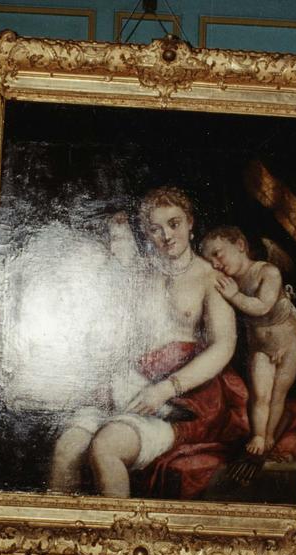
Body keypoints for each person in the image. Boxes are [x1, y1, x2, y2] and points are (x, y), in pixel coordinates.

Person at [50, 188, 249, 498]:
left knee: (107, 447)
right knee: (67, 447)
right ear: (146, 232)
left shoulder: (210, 279)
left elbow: (223, 346)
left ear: (190, 223)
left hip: (183, 399)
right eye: (155, 229)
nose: (166, 235)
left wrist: (167, 388)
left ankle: (117, 530)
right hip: (132, 387)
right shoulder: (142, 272)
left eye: (174, 224)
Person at [200, 226, 296, 456]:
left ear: (240, 245)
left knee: (277, 394)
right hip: (260, 348)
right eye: (210, 261)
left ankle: (269, 436)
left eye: (217, 254)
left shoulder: (268, 272)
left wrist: (235, 296)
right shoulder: (228, 282)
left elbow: (262, 306)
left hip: (288, 345)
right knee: (259, 394)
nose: (215, 264)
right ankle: (258, 435)